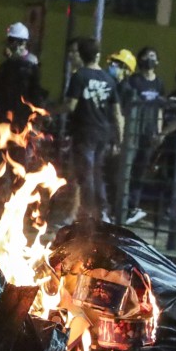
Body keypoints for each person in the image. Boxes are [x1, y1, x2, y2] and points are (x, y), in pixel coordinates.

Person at [64, 37, 123, 221]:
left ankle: (88, 212)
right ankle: (102, 213)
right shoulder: (109, 79)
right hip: (103, 132)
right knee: (97, 172)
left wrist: (50, 109)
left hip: (84, 130)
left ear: (81, 54)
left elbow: (70, 106)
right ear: (98, 55)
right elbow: (117, 113)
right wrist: (119, 138)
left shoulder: (79, 76)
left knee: (86, 173)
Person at [122, 46, 165, 225]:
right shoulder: (133, 81)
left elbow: (161, 108)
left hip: (150, 134)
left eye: (153, 56)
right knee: (127, 170)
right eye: (147, 56)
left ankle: (133, 207)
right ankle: (123, 208)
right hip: (134, 133)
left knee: (141, 171)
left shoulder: (159, 83)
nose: (150, 59)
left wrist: (159, 131)